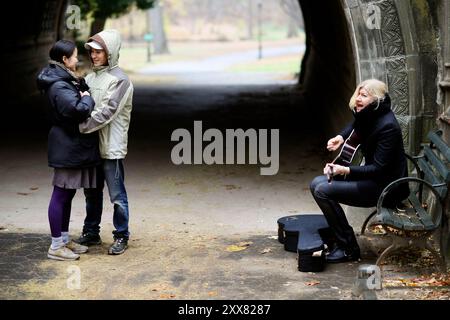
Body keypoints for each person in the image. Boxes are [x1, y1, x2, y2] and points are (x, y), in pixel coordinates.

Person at [310, 79, 409, 263]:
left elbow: (378, 169)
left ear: (376, 100)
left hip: (386, 188)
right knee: (316, 183)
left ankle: (348, 248)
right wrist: (341, 137)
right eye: (358, 94)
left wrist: (345, 170)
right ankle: (341, 239)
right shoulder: (370, 114)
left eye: (364, 95)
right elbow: (355, 124)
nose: (358, 99)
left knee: (322, 191)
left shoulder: (388, 127)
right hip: (373, 180)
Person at [37, 40, 101, 261]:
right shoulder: (59, 85)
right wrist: (87, 98)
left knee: (68, 193)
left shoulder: (63, 79)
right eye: (74, 56)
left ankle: (63, 239)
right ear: (64, 60)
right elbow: (76, 111)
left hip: (71, 146)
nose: (77, 59)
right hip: (66, 146)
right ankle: (56, 246)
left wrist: (81, 89)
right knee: (61, 194)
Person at [74, 29, 134, 255]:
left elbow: (106, 112)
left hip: (111, 147)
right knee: (91, 192)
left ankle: (121, 235)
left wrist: (79, 127)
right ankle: (91, 232)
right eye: (92, 51)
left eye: (99, 51)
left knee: (117, 195)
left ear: (111, 52)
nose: (94, 55)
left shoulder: (121, 81)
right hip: (91, 147)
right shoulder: (90, 77)